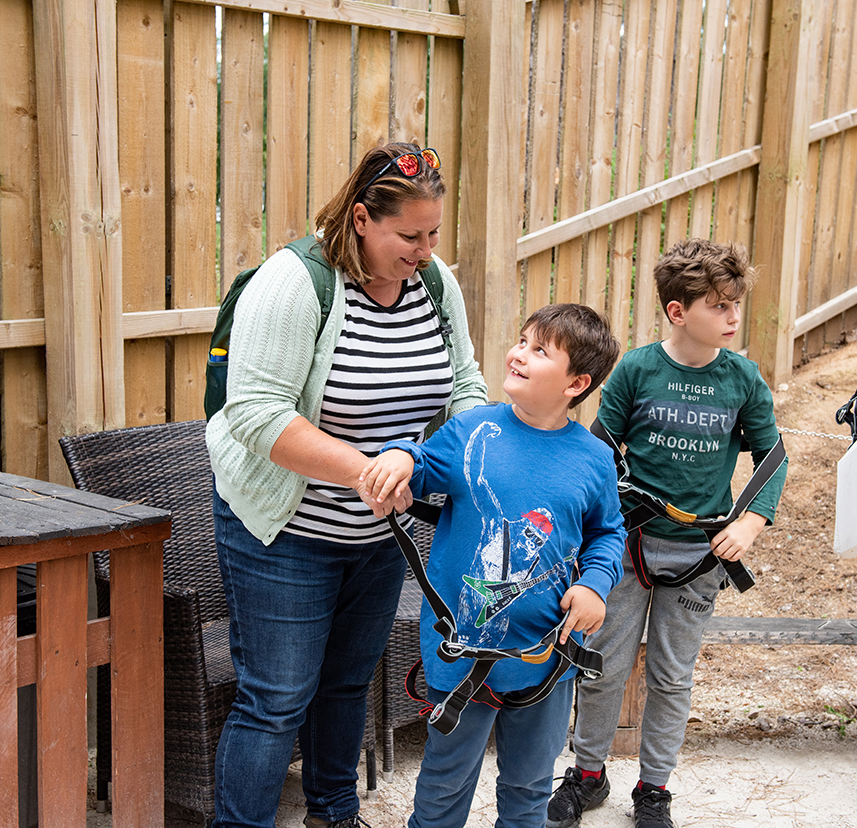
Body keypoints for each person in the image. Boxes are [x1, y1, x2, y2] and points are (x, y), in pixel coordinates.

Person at [205, 142, 488, 828]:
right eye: (409, 235)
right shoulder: (295, 282)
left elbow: (463, 385)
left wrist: (478, 447)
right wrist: (365, 469)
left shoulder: (435, 283)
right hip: (287, 528)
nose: (425, 250)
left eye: (434, 234)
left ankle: (334, 814)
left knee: (345, 685)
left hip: (379, 530)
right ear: (362, 219)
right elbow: (255, 413)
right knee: (276, 699)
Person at [547, 239, 787, 828]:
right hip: (627, 549)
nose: (733, 316)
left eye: (736, 305)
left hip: (699, 557)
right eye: (720, 306)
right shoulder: (637, 369)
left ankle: (654, 789)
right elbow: (601, 450)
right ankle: (587, 775)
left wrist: (752, 519)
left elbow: (773, 456)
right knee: (601, 664)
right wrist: (587, 528)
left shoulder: (743, 380)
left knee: (672, 677)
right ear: (678, 312)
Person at [360, 303, 627, 828]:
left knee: (529, 789)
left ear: (576, 383)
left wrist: (596, 585)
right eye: (522, 340)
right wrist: (399, 456)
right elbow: (421, 466)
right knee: (444, 785)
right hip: (462, 656)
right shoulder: (471, 429)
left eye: (539, 350)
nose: (519, 354)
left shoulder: (593, 458)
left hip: (545, 660)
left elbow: (606, 532)